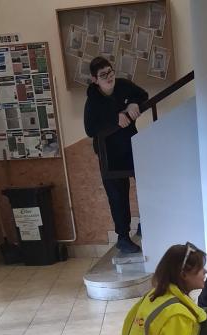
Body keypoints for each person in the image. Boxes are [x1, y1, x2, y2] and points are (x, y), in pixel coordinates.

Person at [84, 56, 148, 255]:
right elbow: (90, 128)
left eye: (110, 72)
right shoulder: (93, 99)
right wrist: (114, 119)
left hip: (130, 146)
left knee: (146, 183)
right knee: (117, 195)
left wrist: (133, 103)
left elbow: (143, 95)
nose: (109, 77)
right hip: (108, 153)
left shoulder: (123, 85)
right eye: (103, 75)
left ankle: (146, 222)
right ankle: (123, 237)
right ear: (95, 79)